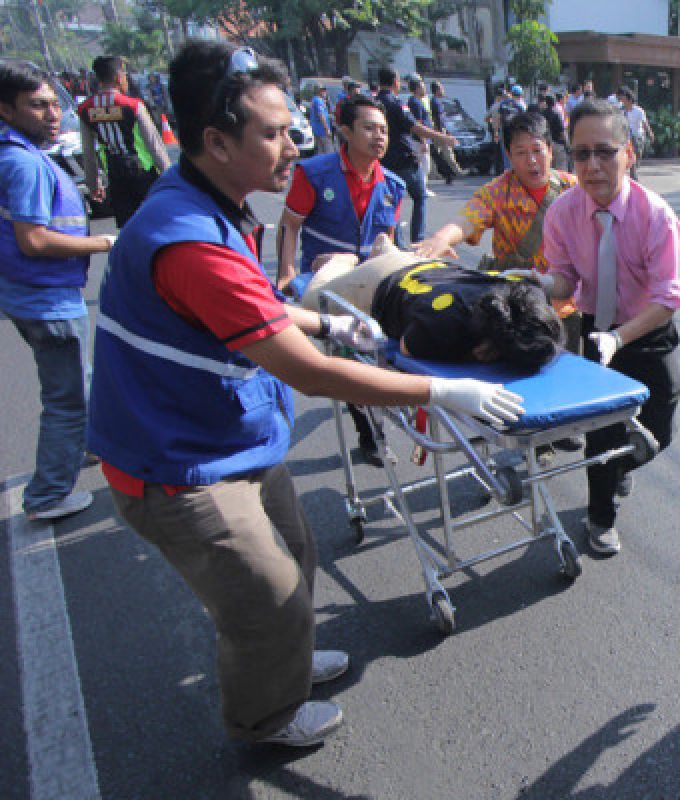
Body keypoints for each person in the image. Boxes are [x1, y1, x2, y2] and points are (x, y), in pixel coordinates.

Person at [86, 41, 523, 748]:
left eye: (292, 127)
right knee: (268, 598)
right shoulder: (188, 238)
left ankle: (284, 659)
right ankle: (263, 717)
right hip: (173, 465)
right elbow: (308, 373)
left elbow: (256, 304)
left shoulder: (210, 205)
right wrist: (442, 389)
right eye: (274, 132)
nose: (294, 143)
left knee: (298, 557)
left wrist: (328, 319)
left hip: (231, 435)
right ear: (216, 142)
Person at [538, 98, 680, 556]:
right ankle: (599, 517)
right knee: (600, 432)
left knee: (659, 430)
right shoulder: (562, 212)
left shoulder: (656, 215)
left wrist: (620, 338)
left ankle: (620, 470)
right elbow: (567, 280)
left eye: (605, 151)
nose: (593, 165)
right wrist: (542, 282)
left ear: (629, 154)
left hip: (647, 330)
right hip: (594, 327)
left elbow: (668, 299)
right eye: (581, 154)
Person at [416, 112, 581, 455]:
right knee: (521, 372)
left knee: (566, 370)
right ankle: (532, 436)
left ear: (551, 150)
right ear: (509, 155)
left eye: (537, 150)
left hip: (563, 298)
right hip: (519, 302)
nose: (531, 160)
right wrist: (441, 238)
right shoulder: (498, 192)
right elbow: (468, 218)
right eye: (520, 152)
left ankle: (561, 424)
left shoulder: (572, 188)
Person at [0, 62, 116, 521]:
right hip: (46, 298)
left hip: (34, 296)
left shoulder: (17, 154)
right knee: (67, 399)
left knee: (76, 382)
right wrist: (107, 242)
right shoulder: (24, 163)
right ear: (5, 110)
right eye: (38, 105)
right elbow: (35, 240)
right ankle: (48, 494)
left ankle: (86, 447)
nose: (52, 114)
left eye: (53, 103)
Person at [276, 94, 406, 467]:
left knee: (380, 355)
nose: (379, 137)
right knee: (350, 360)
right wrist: (286, 274)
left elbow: (389, 243)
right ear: (345, 131)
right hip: (329, 287)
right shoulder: (314, 174)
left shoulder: (393, 186)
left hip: (370, 285)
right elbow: (289, 225)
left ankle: (378, 411)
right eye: (369, 128)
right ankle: (371, 437)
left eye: (384, 130)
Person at [298, 237, 563, 368]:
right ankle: (340, 261)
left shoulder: (526, 293)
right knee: (310, 303)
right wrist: (466, 357)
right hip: (379, 281)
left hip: (429, 268)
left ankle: (387, 247)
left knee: (403, 264)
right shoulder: (445, 326)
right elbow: (406, 347)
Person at [78, 55, 171, 228]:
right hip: (142, 172)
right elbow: (154, 144)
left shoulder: (85, 109)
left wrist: (93, 183)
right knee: (154, 220)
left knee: (128, 224)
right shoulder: (132, 105)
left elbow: (88, 152)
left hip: (115, 173)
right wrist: (169, 175)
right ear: (118, 78)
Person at [377, 67, 456, 244]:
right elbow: (415, 126)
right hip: (403, 159)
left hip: (383, 161)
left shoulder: (374, 103)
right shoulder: (396, 103)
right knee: (420, 196)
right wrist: (442, 138)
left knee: (391, 203)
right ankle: (416, 240)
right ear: (395, 81)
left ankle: (396, 243)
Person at [428, 80, 464, 184]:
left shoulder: (435, 101)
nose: (443, 90)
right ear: (437, 90)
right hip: (439, 130)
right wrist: (442, 132)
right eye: (441, 88)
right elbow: (438, 118)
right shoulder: (435, 102)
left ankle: (434, 173)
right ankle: (456, 170)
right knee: (447, 151)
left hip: (438, 129)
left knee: (436, 152)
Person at [617, 88, 654, 181]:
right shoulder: (621, 111)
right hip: (627, 137)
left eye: (623, 98)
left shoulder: (638, 110)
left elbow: (645, 123)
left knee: (638, 154)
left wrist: (650, 133)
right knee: (631, 153)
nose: (621, 101)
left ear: (628, 98)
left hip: (638, 136)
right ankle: (633, 175)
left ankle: (634, 169)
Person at [487, 84, 523, 174]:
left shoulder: (503, 104)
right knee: (517, 152)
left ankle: (508, 173)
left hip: (504, 130)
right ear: (520, 95)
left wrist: (496, 132)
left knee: (506, 154)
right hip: (516, 132)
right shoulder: (520, 106)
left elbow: (498, 119)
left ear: (512, 93)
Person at [308, 85, 335, 154]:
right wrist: (327, 129)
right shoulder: (318, 101)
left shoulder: (314, 100)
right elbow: (321, 115)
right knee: (328, 149)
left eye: (324, 90)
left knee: (321, 150)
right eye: (322, 91)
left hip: (316, 129)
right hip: (322, 129)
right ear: (318, 91)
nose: (324, 92)